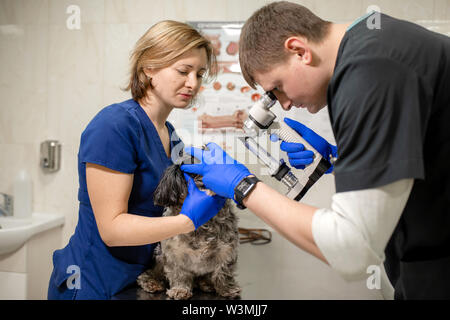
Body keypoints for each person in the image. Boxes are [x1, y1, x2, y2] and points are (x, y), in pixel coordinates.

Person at [181, 2, 450, 300]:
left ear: (299, 50)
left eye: (278, 87)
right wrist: (342, 158)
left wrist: (244, 187)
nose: (283, 103)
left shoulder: (370, 72)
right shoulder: (373, 44)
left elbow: (353, 249)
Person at [47, 20, 226, 300]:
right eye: (183, 71)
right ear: (149, 67)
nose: (193, 83)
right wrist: (188, 221)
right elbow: (112, 229)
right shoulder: (114, 126)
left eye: (200, 74)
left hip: (141, 279)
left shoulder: (171, 135)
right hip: (95, 282)